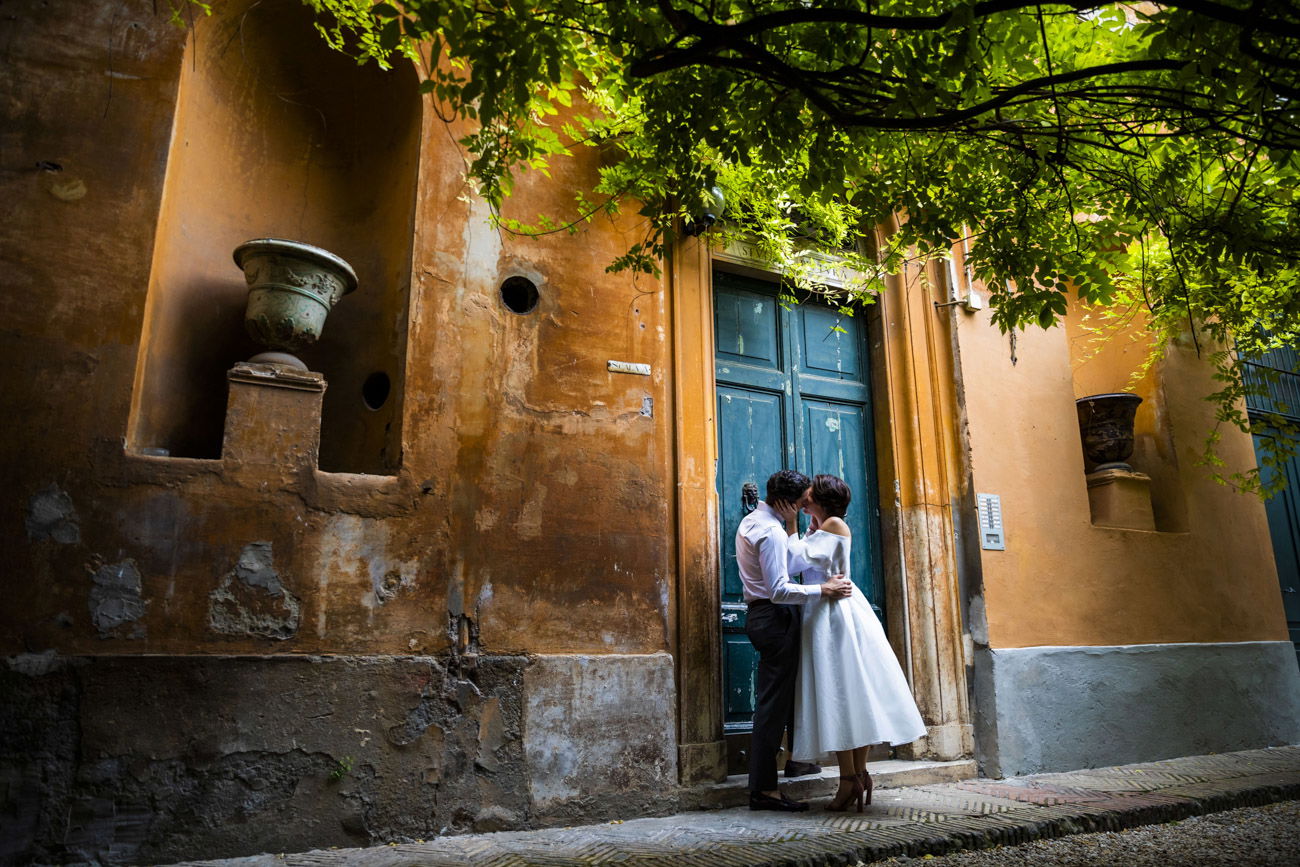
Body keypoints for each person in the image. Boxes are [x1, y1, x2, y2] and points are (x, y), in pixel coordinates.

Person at [789, 474, 928, 812]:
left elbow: (794, 562)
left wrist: (792, 522)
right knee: (845, 696)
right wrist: (806, 526)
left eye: (808, 495)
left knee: (843, 693)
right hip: (829, 611)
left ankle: (850, 779)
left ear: (821, 499)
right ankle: (856, 776)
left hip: (834, 617)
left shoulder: (834, 524)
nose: (803, 498)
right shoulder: (821, 527)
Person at [737, 469, 853, 812]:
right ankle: (763, 790)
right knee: (773, 707)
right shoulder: (771, 532)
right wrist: (824, 589)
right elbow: (779, 590)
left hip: (767, 617)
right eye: (803, 501)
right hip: (774, 617)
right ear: (787, 502)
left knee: (791, 695)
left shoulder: (752, 521)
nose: (806, 506)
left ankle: (799, 760)